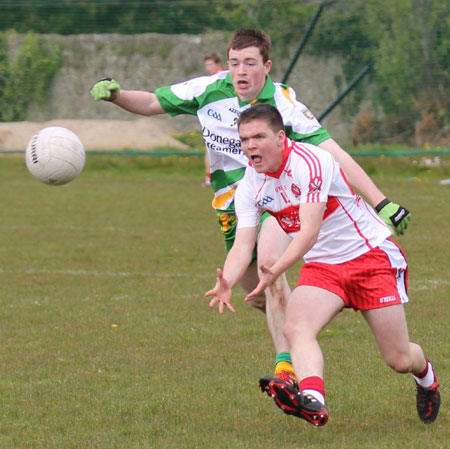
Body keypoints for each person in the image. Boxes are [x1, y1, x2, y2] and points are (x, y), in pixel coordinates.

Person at [90, 29, 411, 389]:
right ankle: (301, 317)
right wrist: (117, 95)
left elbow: (331, 150)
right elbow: (150, 103)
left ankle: (287, 368)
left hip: (277, 197)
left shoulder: (283, 103)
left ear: (266, 66)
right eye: (234, 63)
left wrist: (381, 200)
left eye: (250, 64)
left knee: (267, 265)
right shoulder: (208, 89)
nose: (241, 72)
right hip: (234, 205)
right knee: (256, 292)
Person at [206, 103, 440, 427]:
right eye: (244, 140)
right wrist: (228, 280)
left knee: (399, 359)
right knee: (296, 327)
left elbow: (309, 231)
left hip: (369, 256)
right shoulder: (250, 183)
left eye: (258, 137)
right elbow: (244, 245)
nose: (250, 146)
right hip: (324, 267)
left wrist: (278, 268)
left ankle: (426, 378)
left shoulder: (311, 161)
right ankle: (313, 400)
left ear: (280, 137)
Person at [201, 52, 227, 187]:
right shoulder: (211, 79)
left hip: (224, 121)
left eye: (210, 64)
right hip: (215, 120)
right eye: (206, 65)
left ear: (218, 64)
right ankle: (209, 178)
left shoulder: (221, 77)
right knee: (210, 148)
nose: (208, 68)